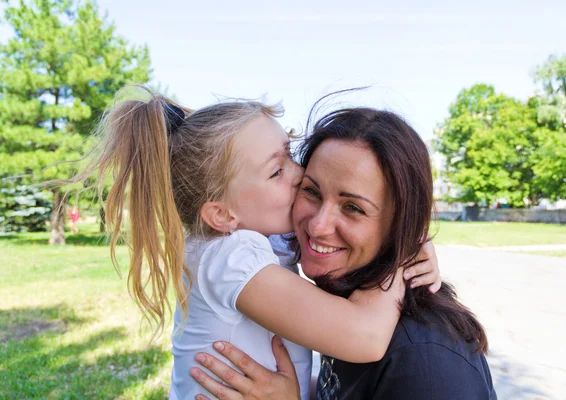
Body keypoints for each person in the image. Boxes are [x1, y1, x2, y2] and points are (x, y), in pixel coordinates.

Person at [68, 87, 441, 400]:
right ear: (222, 215)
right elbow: (365, 337)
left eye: (290, 155)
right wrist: (403, 256)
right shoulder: (228, 257)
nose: (300, 174)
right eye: (277, 171)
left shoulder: (254, 234)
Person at [190, 107, 496, 399]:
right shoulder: (342, 303)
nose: (318, 226)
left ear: (400, 222)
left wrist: (406, 248)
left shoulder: (426, 361)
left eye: (353, 208)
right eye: (311, 191)